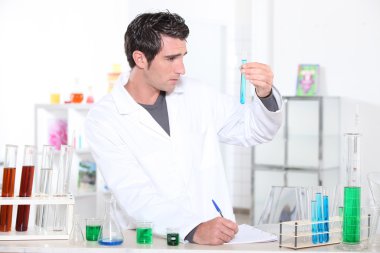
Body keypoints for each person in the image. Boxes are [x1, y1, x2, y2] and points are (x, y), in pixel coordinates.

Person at [85, 11, 283, 245]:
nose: (182, 69)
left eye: (183, 57)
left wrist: (265, 92)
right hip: (150, 240)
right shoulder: (104, 118)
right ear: (140, 59)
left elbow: (254, 130)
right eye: (170, 59)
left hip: (217, 240)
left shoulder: (198, 94)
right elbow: (134, 192)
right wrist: (193, 229)